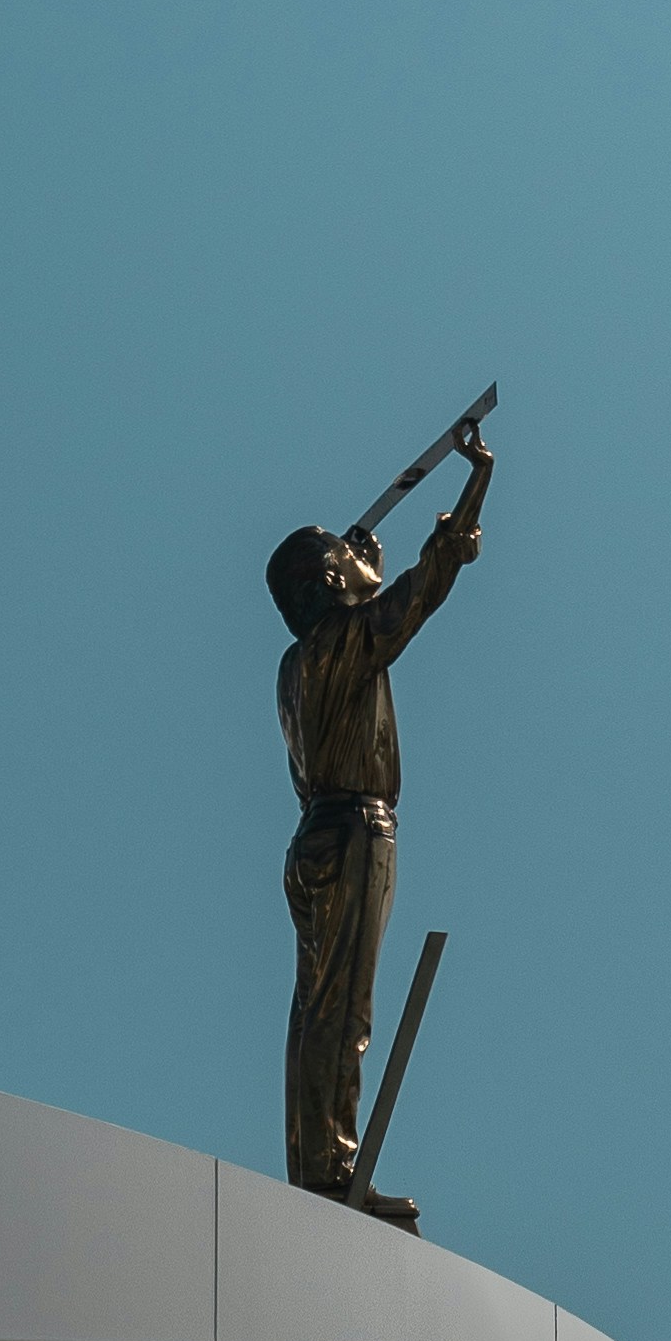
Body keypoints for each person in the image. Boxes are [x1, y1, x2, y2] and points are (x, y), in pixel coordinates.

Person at [264, 416, 494, 1225]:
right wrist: (474, 484)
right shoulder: (337, 644)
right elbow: (417, 597)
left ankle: (316, 1163)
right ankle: (331, 1169)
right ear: (323, 584)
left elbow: (380, 605)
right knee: (343, 1005)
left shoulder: (299, 661)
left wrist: (356, 567)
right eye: (340, 559)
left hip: (314, 838)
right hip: (355, 829)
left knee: (316, 1002)